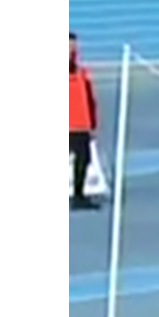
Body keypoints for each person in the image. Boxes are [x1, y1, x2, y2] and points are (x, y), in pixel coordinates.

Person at [70, 31, 101, 211]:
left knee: (84, 159)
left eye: (74, 46)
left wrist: (92, 123)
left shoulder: (82, 73)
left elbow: (90, 99)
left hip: (80, 124)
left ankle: (78, 195)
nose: (72, 49)